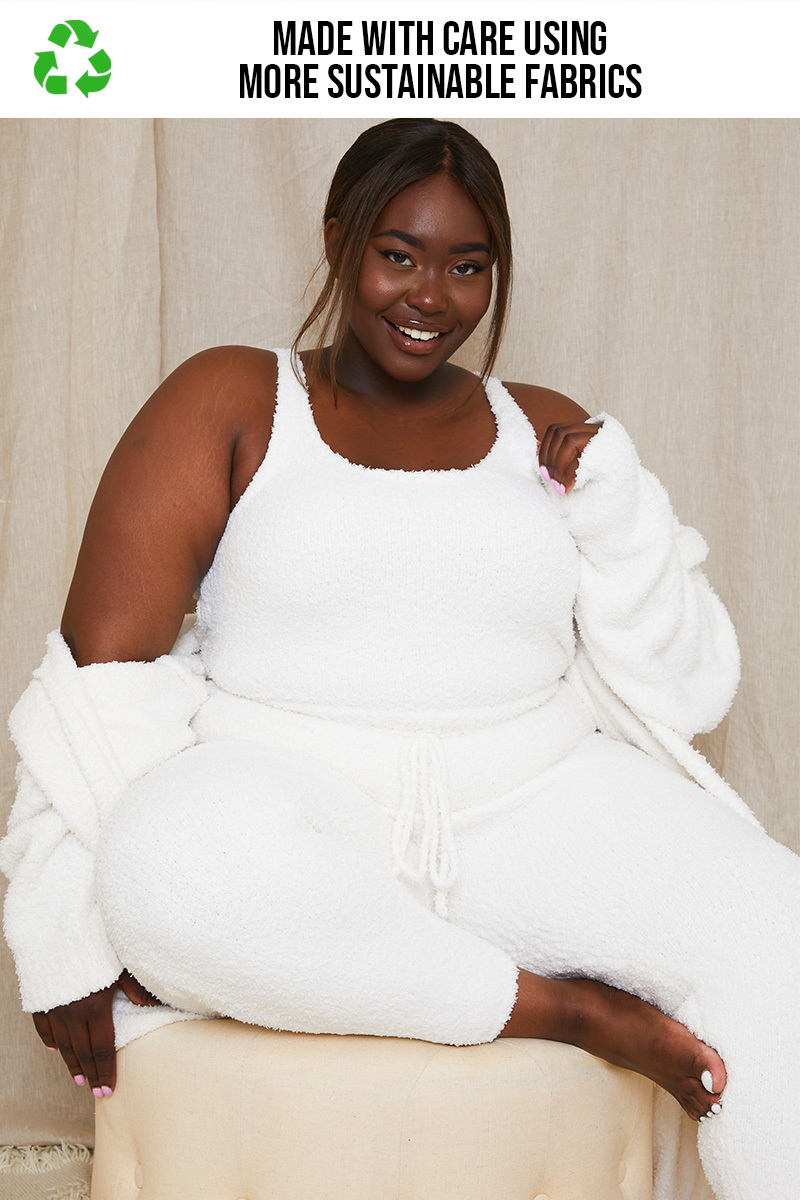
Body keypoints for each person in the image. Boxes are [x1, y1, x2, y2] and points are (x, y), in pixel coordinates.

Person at [2, 119, 798, 1200]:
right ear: (339, 242)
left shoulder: (549, 431)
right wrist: (62, 922)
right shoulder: (233, 399)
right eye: (398, 254)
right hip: (297, 805)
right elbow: (97, 686)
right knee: (164, 868)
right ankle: (565, 1007)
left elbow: (682, 689)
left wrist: (618, 512)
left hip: (533, 804)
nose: (431, 296)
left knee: (775, 925)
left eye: (467, 266)